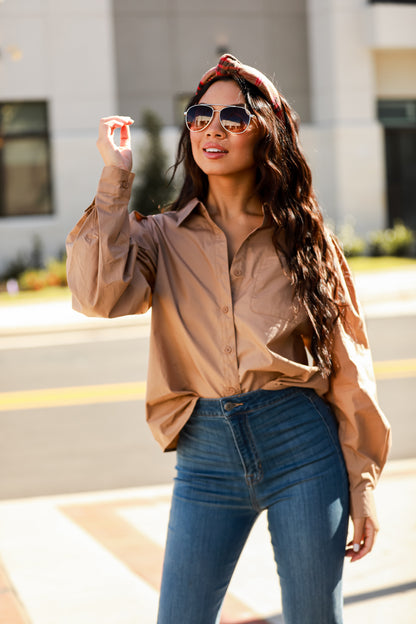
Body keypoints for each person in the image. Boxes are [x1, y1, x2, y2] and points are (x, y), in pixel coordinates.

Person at [66, 55, 391, 624]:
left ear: (268, 131)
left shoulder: (307, 240)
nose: (211, 128)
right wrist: (115, 177)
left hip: (303, 448)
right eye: (200, 114)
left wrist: (362, 481)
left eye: (234, 117)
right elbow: (97, 295)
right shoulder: (160, 238)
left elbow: (348, 364)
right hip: (205, 457)